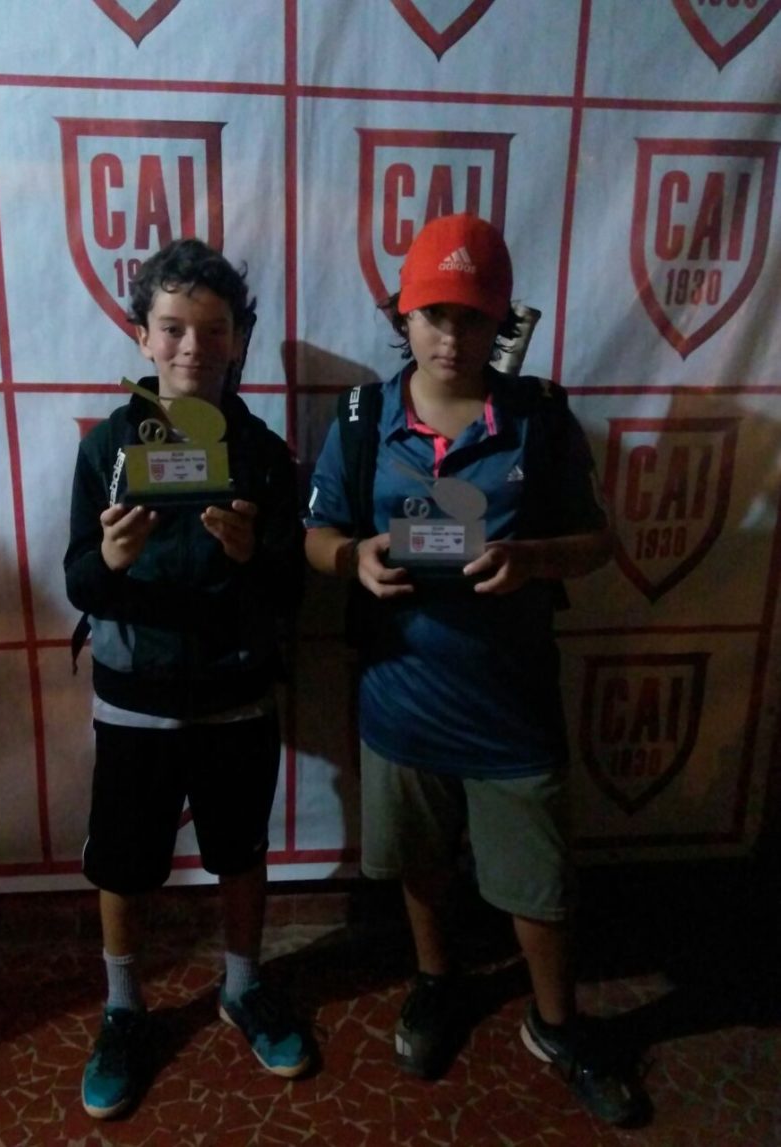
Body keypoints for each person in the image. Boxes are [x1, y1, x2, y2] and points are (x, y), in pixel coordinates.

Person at [304, 214, 646, 1126]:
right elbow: (318, 532)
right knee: (420, 860)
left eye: (472, 317)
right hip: (400, 694)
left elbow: (597, 542)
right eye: (433, 314)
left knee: (542, 886)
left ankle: (556, 1021)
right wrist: (352, 560)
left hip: (509, 701)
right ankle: (436, 979)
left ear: (501, 321)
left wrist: (534, 559)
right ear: (403, 316)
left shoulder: (539, 418)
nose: (451, 336)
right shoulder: (363, 418)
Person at [65, 238, 308, 1119]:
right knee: (123, 863)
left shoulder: (264, 453)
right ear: (142, 336)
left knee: (240, 852)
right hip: (135, 702)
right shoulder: (108, 445)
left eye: (212, 329)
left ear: (239, 338)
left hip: (237, 696)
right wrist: (110, 559)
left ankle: (243, 986)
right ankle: (124, 1007)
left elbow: (290, 591)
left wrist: (251, 558)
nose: (193, 348)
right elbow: (78, 582)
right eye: (172, 328)